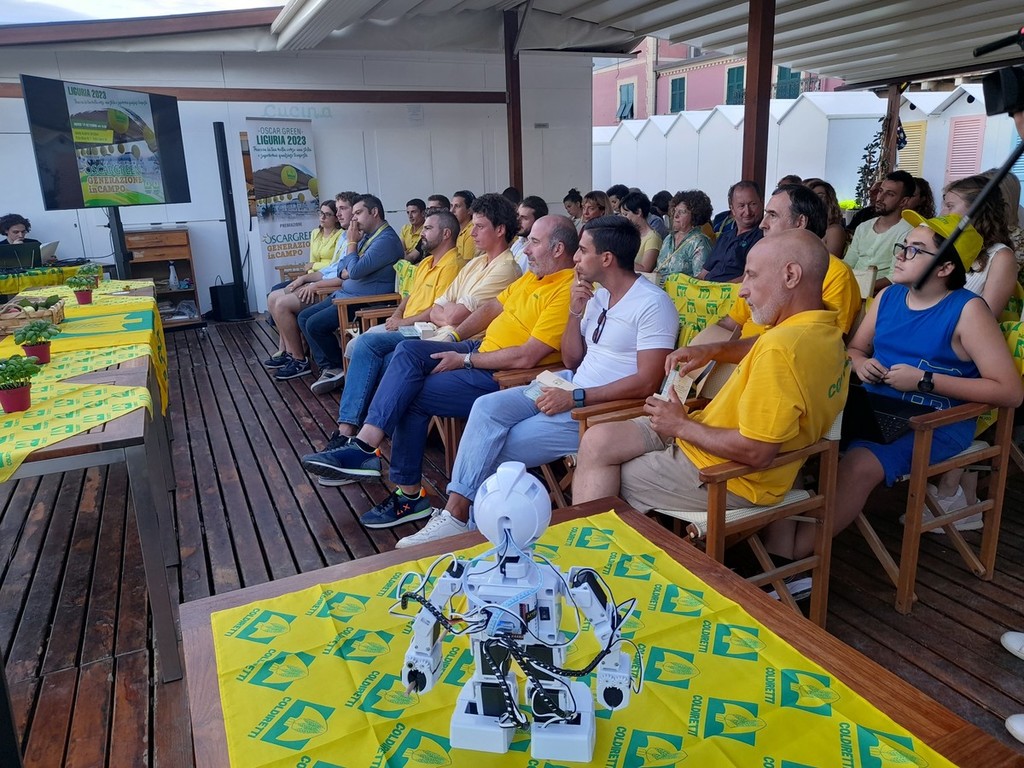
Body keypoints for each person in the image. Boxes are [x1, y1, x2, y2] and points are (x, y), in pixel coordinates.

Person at [394, 215, 679, 547]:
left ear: (606, 258)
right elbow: (573, 360)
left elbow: (647, 382)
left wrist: (577, 398)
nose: (575, 257)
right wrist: (574, 312)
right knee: (486, 408)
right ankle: (459, 519)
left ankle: (467, 525)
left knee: (494, 448)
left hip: (600, 409)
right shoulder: (597, 296)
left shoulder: (652, 304)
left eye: (582, 250)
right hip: (569, 382)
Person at [761, 213, 1023, 564]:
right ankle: (779, 553)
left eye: (915, 250)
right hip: (874, 407)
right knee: (791, 434)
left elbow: (1010, 391)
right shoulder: (888, 298)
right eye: (903, 245)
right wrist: (860, 364)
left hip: (934, 421)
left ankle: (791, 560)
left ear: (945, 268)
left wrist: (925, 380)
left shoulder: (968, 311)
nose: (900, 254)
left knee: (859, 463)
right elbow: (854, 349)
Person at [301, 213, 578, 528]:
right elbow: (492, 308)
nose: (525, 249)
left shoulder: (565, 289)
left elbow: (527, 356)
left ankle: (405, 493)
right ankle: (366, 444)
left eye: (534, 242)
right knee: (407, 351)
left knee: (411, 393)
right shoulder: (533, 277)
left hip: (501, 373)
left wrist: (466, 359)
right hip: (478, 348)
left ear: (558, 249)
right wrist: (455, 337)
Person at [572, 229, 849, 519]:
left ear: (791, 275)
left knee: (608, 473)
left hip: (731, 474)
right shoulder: (824, 331)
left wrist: (680, 426)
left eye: (752, 276)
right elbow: (762, 343)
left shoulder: (781, 350)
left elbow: (757, 452)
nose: (742, 290)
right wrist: (712, 349)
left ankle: (592, 543)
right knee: (597, 440)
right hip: (705, 434)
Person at [311, 199, 521, 460]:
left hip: (456, 341)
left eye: (479, 227)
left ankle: (359, 439)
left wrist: (441, 316)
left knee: (378, 351)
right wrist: (423, 315)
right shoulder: (475, 264)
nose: (472, 232)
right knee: (379, 354)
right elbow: (438, 307)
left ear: (500, 230)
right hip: (435, 331)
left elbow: (451, 314)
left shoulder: (504, 268)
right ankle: (357, 436)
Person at [287, 194, 404, 393]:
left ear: (374, 212)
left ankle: (335, 366)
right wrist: (351, 264)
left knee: (315, 324)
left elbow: (355, 271)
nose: (354, 218)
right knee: (304, 317)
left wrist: (351, 245)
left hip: (364, 301)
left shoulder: (386, 240)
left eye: (358, 213)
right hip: (345, 294)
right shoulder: (366, 236)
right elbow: (342, 266)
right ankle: (331, 366)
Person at [265, 193, 355, 371]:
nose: (338, 214)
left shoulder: (350, 238)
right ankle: (289, 353)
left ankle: (299, 358)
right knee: (273, 297)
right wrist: (304, 278)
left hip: (333, 290)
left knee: (282, 304)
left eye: (341, 209)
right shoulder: (343, 237)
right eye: (336, 210)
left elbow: (344, 273)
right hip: (321, 281)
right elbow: (332, 268)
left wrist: (313, 283)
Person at [845, 170, 915, 293]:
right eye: (880, 191)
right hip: (849, 288)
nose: (880, 198)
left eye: (890, 194)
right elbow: (848, 264)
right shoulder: (863, 227)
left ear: (903, 201)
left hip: (881, 295)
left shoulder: (909, 231)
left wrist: (860, 287)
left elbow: (894, 277)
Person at [697, 180, 764, 283]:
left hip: (732, 291)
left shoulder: (763, 238)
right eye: (741, 206)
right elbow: (703, 274)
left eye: (752, 204)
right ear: (732, 209)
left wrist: (718, 289)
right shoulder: (724, 237)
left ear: (761, 203)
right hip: (707, 288)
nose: (747, 212)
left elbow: (748, 278)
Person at [653, 189, 713, 281]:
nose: (675, 215)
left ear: (694, 216)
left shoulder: (700, 242)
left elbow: (700, 280)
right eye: (675, 210)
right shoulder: (668, 239)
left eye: (682, 212)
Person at [803, 178, 849, 257]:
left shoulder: (834, 231)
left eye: (820, 196)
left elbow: (830, 262)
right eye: (811, 196)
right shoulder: (801, 229)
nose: (815, 200)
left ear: (830, 200)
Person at [620, 191, 662, 273]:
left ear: (639, 212)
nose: (623, 218)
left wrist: (619, 261)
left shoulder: (653, 238)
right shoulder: (629, 234)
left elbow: (646, 268)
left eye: (625, 214)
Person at [511, 196, 548, 273]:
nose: (518, 221)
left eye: (524, 218)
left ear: (538, 221)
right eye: (517, 216)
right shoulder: (519, 242)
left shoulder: (540, 250)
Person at [452, 190, 478, 265]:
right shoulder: (456, 229)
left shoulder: (472, 231)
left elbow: (467, 264)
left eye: (457, 206)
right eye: (451, 206)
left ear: (469, 210)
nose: (452, 210)